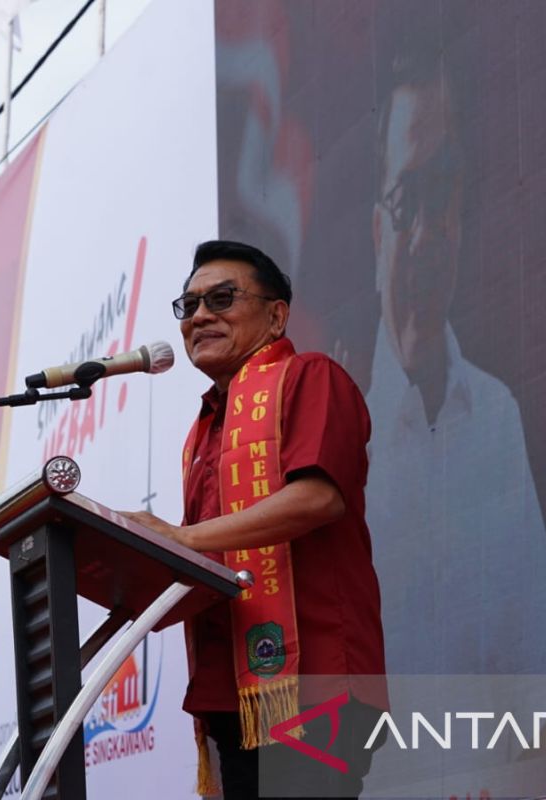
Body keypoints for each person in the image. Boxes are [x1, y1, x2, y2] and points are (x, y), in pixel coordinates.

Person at [122, 240, 386, 799]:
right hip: (229, 693)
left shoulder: (309, 376)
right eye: (188, 306)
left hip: (313, 683)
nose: (199, 317)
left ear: (276, 315)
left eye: (221, 298)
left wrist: (179, 537)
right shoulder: (202, 431)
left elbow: (319, 498)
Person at [365, 44, 546, 677]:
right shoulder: (338, 434)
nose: (427, 235)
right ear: (378, 232)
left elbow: (544, 686)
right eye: (407, 199)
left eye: (443, 196)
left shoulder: (495, 417)